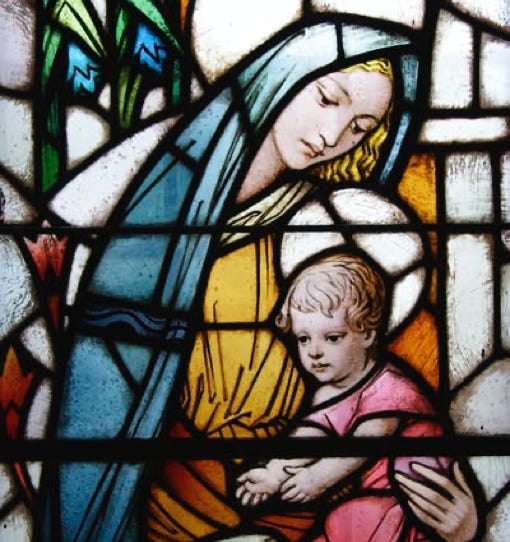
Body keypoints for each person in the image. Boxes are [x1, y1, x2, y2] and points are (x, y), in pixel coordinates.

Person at [42, 18, 481, 542]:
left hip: (305, 513)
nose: (332, 137)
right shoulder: (161, 198)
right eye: (327, 98)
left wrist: (463, 527)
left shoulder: (332, 237)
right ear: (282, 78)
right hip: (164, 498)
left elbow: (391, 410)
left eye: (361, 128)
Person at [235, 253, 477, 541]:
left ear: (368, 334)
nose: (314, 351)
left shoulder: (391, 387)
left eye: (332, 337)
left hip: (413, 504)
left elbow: (366, 443)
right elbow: (310, 438)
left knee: (351, 517)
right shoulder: (329, 391)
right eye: (303, 338)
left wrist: (317, 478)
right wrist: (274, 473)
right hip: (376, 501)